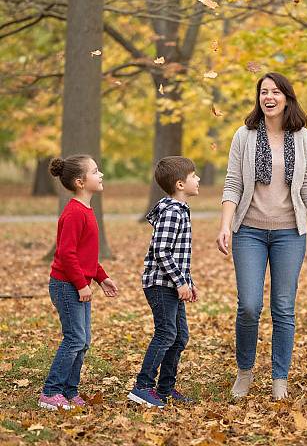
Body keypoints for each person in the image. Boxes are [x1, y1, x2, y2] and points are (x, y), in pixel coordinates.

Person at [216, 72, 307, 400]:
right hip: (249, 232)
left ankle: (279, 378)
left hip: (290, 234)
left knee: (284, 307)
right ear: (258, 98)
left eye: (275, 91)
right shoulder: (243, 136)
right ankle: (245, 372)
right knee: (248, 305)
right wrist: (224, 225)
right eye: (264, 92)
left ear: (287, 97)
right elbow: (233, 183)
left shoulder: (303, 138)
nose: (269, 97)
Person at [39, 155, 118, 410]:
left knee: (83, 341)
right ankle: (51, 392)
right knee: (74, 339)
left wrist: (101, 277)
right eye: (96, 171)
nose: (101, 174)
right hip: (66, 285)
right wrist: (81, 284)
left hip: (78, 283)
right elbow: (66, 254)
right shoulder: (74, 212)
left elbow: (86, 256)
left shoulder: (86, 210)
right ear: (80, 182)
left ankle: (69, 391)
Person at [128, 156, 200, 408]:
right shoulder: (171, 212)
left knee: (179, 337)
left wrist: (187, 282)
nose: (198, 179)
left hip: (172, 283)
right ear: (180, 184)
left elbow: (179, 254)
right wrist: (180, 281)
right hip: (160, 284)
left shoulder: (179, 210)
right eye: (194, 176)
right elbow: (161, 251)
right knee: (166, 333)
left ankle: (165, 389)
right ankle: (142, 387)